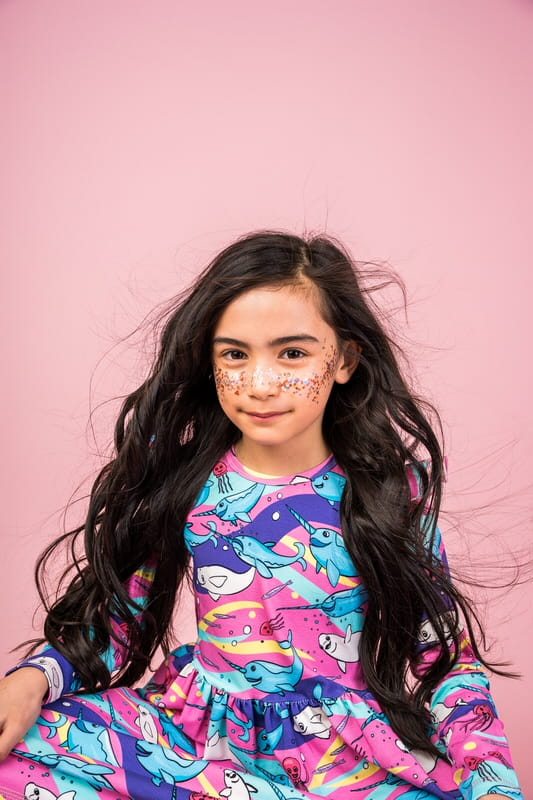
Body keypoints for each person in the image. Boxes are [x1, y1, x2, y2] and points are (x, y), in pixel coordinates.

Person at [0, 231, 523, 800]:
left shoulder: (393, 493)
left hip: (342, 762)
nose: (260, 384)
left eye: (292, 353)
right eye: (234, 355)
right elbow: (120, 620)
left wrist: (493, 781)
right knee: (25, 746)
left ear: (345, 360)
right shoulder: (187, 482)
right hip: (201, 753)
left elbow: (444, 658)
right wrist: (33, 679)